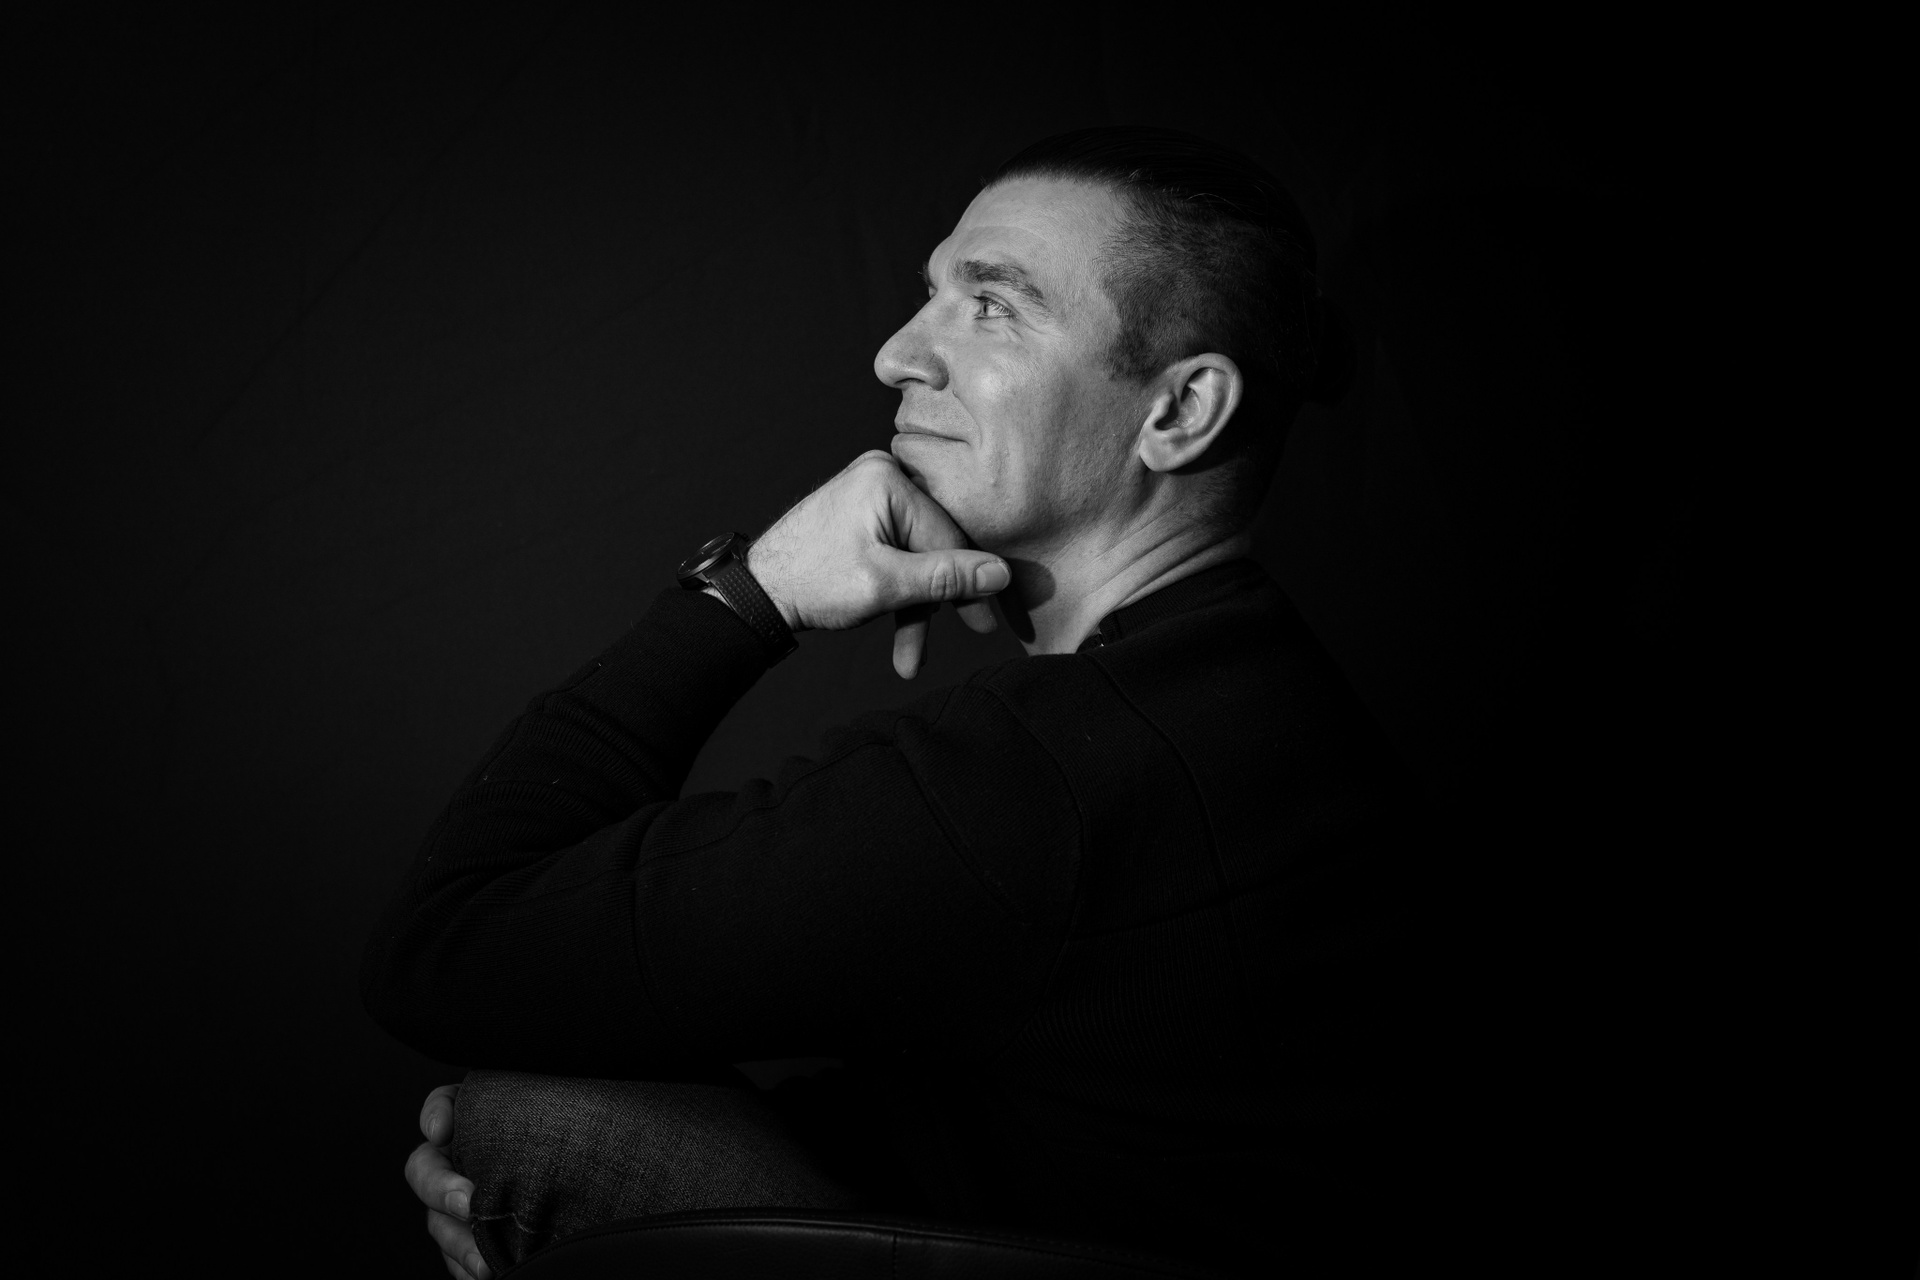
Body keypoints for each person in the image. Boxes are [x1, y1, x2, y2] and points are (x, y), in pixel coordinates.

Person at [362, 125, 1420, 1279]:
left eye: (994, 306)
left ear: (1180, 411)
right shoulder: (1243, 691)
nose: (898, 354)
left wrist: (750, 593)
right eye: (931, 293)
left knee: (530, 1121)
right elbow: (1030, 1129)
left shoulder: (1057, 772)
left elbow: (445, 942)